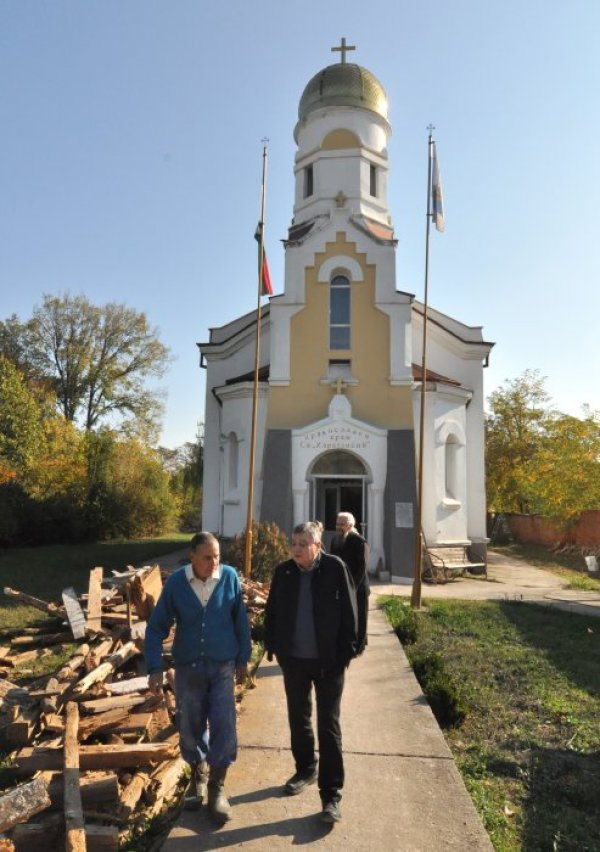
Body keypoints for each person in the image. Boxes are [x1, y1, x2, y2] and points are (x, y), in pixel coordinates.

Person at [144, 531, 251, 824]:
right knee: (190, 724)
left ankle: (217, 785)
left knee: (223, 722)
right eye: (207, 557)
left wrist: (243, 657)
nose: (213, 562)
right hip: (189, 667)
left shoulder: (228, 578)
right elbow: (156, 628)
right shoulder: (178, 583)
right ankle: (197, 776)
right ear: (192, 556)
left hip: (222, 665)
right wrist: (154, 666)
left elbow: (239, 620)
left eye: (217, 556)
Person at [264, 521, 358, 825]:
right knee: (298, 717)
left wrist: (346, 654)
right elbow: (273, 611)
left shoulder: (334, 567)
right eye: (294, 543)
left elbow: (350, 612)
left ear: (318, 546)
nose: (296, 549)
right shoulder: (285, 572)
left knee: (328, 725)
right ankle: (305, 768)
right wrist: (274, 646)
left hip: (329, 663)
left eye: (303, 544)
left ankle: (331, 794)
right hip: (295, 661)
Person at [330, 512, 370, 655]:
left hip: (357, 587)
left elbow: (361, 567)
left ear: (350, 525)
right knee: (346, 617)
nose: (339, 527)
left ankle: (359, 646)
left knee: (359, 616)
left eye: (342, 524)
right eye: (337, 523)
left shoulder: (359, 541)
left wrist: (352, 587)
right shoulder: (335, 539)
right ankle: (347, 643)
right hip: (342, 587)